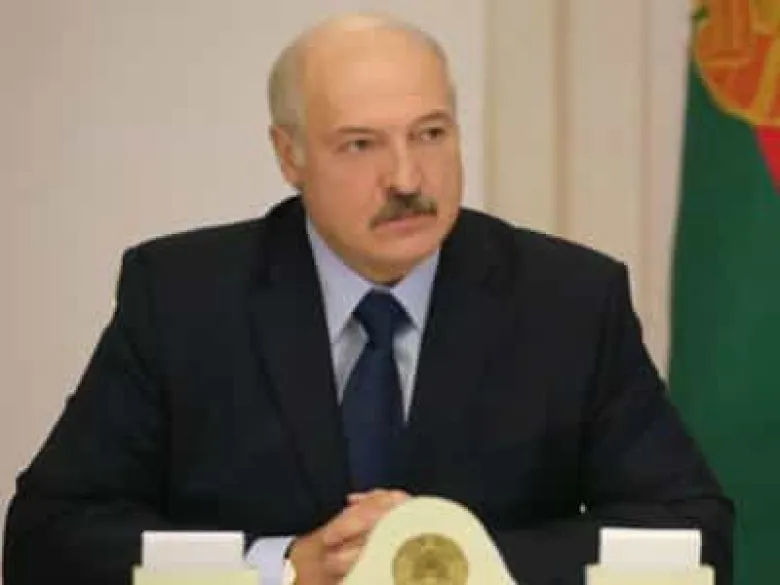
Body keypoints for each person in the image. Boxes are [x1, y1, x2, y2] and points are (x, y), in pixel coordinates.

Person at [3, 12, 733, 585]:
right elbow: (45, 536)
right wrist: (283, 565)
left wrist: (454, 560)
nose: (407, 177)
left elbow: (696, 532)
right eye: (361, 145)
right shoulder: (184, 298)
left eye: (431, 133)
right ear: (289, 155)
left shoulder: (568, 300)